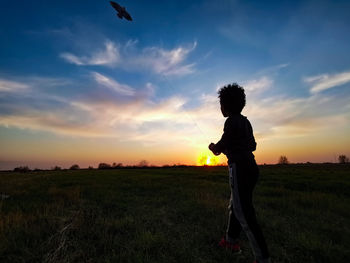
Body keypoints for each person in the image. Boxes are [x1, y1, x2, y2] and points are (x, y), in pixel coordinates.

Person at [208, 83, 270, 263]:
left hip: (239, 168)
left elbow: (223, 143)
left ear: (225, 106)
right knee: (237, 205)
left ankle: (263, 258)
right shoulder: (245, 122)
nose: (221, 109)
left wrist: (215, 148)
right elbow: (253, 146)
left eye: (221, 105)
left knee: (244, 213)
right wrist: (233, 147)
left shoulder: (230, 121)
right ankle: (230, 241)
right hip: (251, 167)